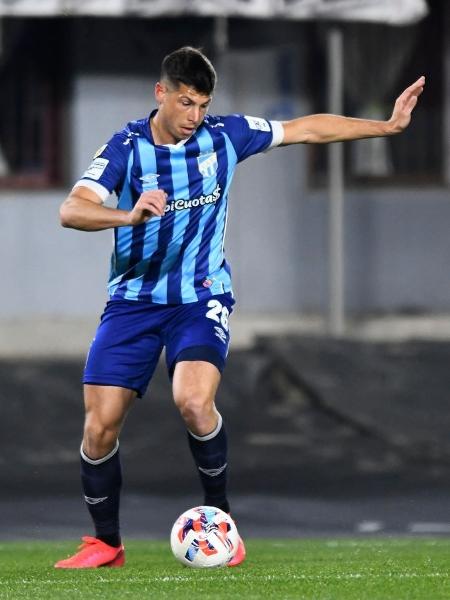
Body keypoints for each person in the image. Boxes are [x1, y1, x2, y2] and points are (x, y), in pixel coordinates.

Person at [54, 46, 424, 569]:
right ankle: (105, 544)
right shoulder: (126, 147)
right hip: (134, 302)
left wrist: (385, 128)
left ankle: (221, 521)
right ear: (161, 93)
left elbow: (304, 129)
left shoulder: (224, 136)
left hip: (202, 296)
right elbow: (72, 210)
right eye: (186, 103)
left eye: (203, 105)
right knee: (99, 429)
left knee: (194, 402)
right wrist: (128, 216)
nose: (195, 117)